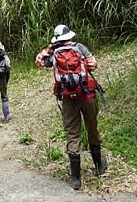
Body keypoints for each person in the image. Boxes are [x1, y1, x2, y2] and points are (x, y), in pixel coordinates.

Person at [35, 25, 107, 190]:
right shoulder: (80, 48)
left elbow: (39, 61)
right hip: (87, 94)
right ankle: (98, 166)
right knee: (92, 129)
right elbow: (93, 65)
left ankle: (76, 179)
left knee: (72, 133)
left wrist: (49, 48)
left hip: (68, 98)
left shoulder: (54, 54)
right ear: (70, 36)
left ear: (56, 39)